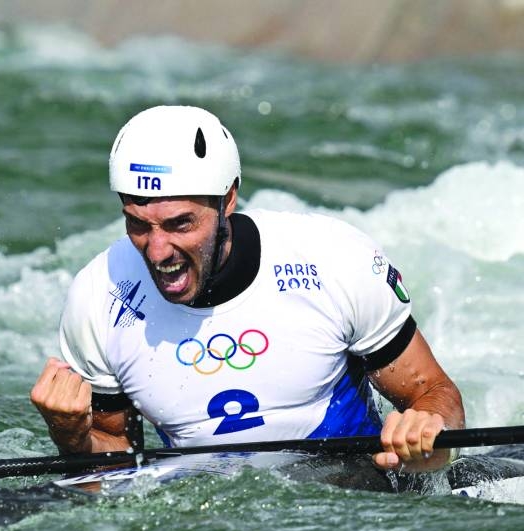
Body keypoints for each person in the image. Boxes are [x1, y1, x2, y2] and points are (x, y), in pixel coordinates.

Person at [30, 105, 464, 472]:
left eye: (181, 224)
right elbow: (117, 467)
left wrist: (426, 430)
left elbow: (437, 395)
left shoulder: (333, 258)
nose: (158, 251)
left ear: (228, 200)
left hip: (354, 490)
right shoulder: (100, 293)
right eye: (138, 224)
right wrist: (72, 438)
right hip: (206, 513)